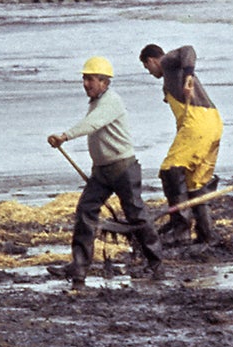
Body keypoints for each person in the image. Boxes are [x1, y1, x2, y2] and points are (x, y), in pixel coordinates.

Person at [48, 56, 161, 286]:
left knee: (137, 216)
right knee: (85, 213)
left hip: (123, 169)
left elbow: (93, 124)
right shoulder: (96, 102)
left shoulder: (111, 102)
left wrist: (64, 136)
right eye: (84, 79)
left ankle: (157, 265)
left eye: (91, 79)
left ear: (105, 82)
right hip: (101, 172)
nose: (86, 84)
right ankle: (78, 267)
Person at [139, 43, 223, 244]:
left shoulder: (167, 62)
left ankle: (181, 230)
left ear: (152, 60)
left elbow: (188, 50)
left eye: (147, 67)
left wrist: (188, 77)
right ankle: (205, 234)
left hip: (198, 124)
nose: (150, 72)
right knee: (195, 183)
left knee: (171, 170)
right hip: (214, 124)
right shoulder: (168, 78)